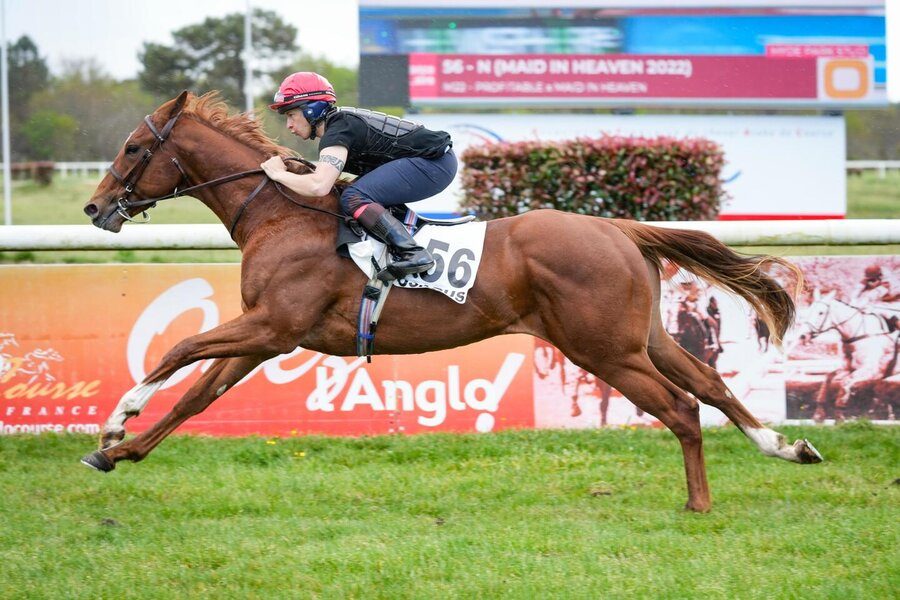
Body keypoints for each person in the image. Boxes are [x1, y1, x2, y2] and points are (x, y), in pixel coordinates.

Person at [261, 71, 457, 279]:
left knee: (354, 196)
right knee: (351, 194)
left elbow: (319, 186)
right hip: (433, 161)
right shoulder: (338, 126)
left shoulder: (338, 129)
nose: (289, 125)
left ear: (311, 109)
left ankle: (413, 253)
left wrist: (278, 174)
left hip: (434, 163)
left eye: (291, 115)